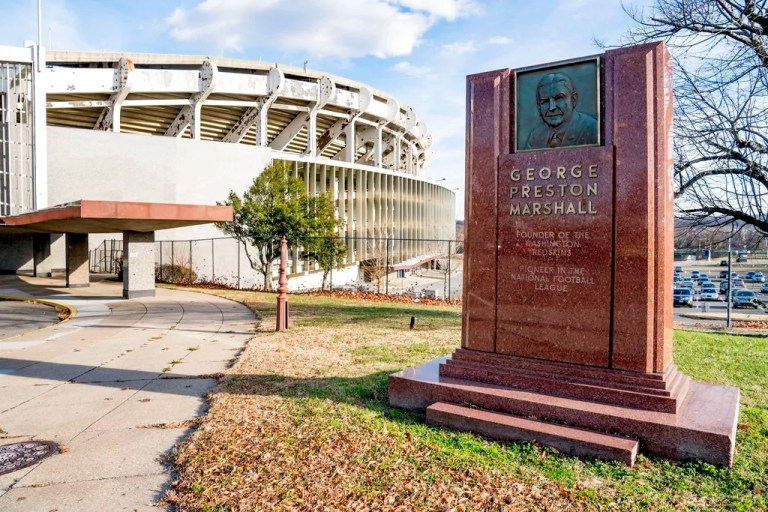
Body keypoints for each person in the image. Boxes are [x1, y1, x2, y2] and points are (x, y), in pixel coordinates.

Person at [523, 72, 597, 150]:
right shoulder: (535, 136)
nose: (551, 108)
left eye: (558, 98)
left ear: (573, 100)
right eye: (544, 101)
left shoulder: (593, 130)